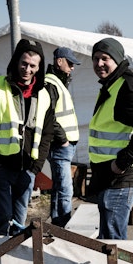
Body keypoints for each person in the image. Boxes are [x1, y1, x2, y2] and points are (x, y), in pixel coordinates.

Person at [0, 38, 56, 236]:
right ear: (16, 62)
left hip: (27, 168)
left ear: (39, 67)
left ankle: (14, 262)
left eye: (32, 66)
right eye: (24, 63)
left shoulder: (45, 95)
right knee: (3, 217)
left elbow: (47, 133)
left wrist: (37, 167)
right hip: (1, 165)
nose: (27, 69)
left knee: (20, 221)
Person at [86, 37, 133, 240]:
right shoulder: (114, 83)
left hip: (122, 176)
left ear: (116, 60)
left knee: (114, 241)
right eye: (96, 58)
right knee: (108, 236)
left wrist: (122, 163)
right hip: (110, 174)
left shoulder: (127, 86)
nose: (99, 64)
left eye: (105, 58)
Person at [44, 46, 81, 227]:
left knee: (61, 188)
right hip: (60, 146)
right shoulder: (51, 83)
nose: (72, 67)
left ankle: (58, 225)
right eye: (70, 63)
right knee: (65, 190)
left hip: (63, 146)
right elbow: (47, 116)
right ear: (60, 61)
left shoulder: (57, 82)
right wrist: (63, 139)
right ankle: (62, 227)